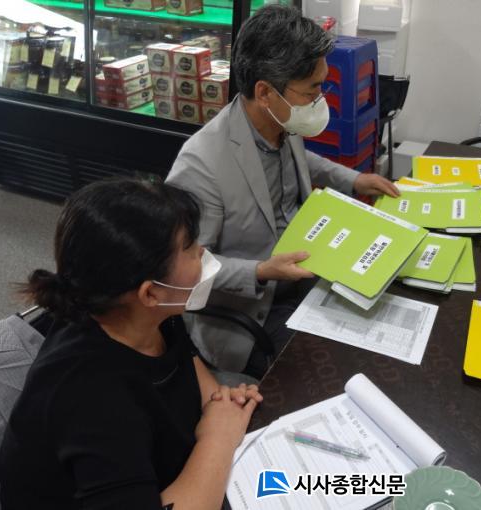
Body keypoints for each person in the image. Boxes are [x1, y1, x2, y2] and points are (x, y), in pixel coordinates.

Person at [0, 178, 262, 510]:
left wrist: (220, 404)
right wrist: (218, 437)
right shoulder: (90, 395)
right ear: (150, 292)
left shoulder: (151, 314)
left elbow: (186, 363)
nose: (202, 252)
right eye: (190, 246)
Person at [166, 5, 400, 377]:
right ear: (265, 92)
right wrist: (261, 271)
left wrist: (354, 180)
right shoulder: (201, 166)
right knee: (330, 369)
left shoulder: (280, 121)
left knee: (380, 314)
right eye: (313, 90)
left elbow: (301, 159)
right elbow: (185, 271)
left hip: (307, 269)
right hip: (254, 310)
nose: (321, 100)